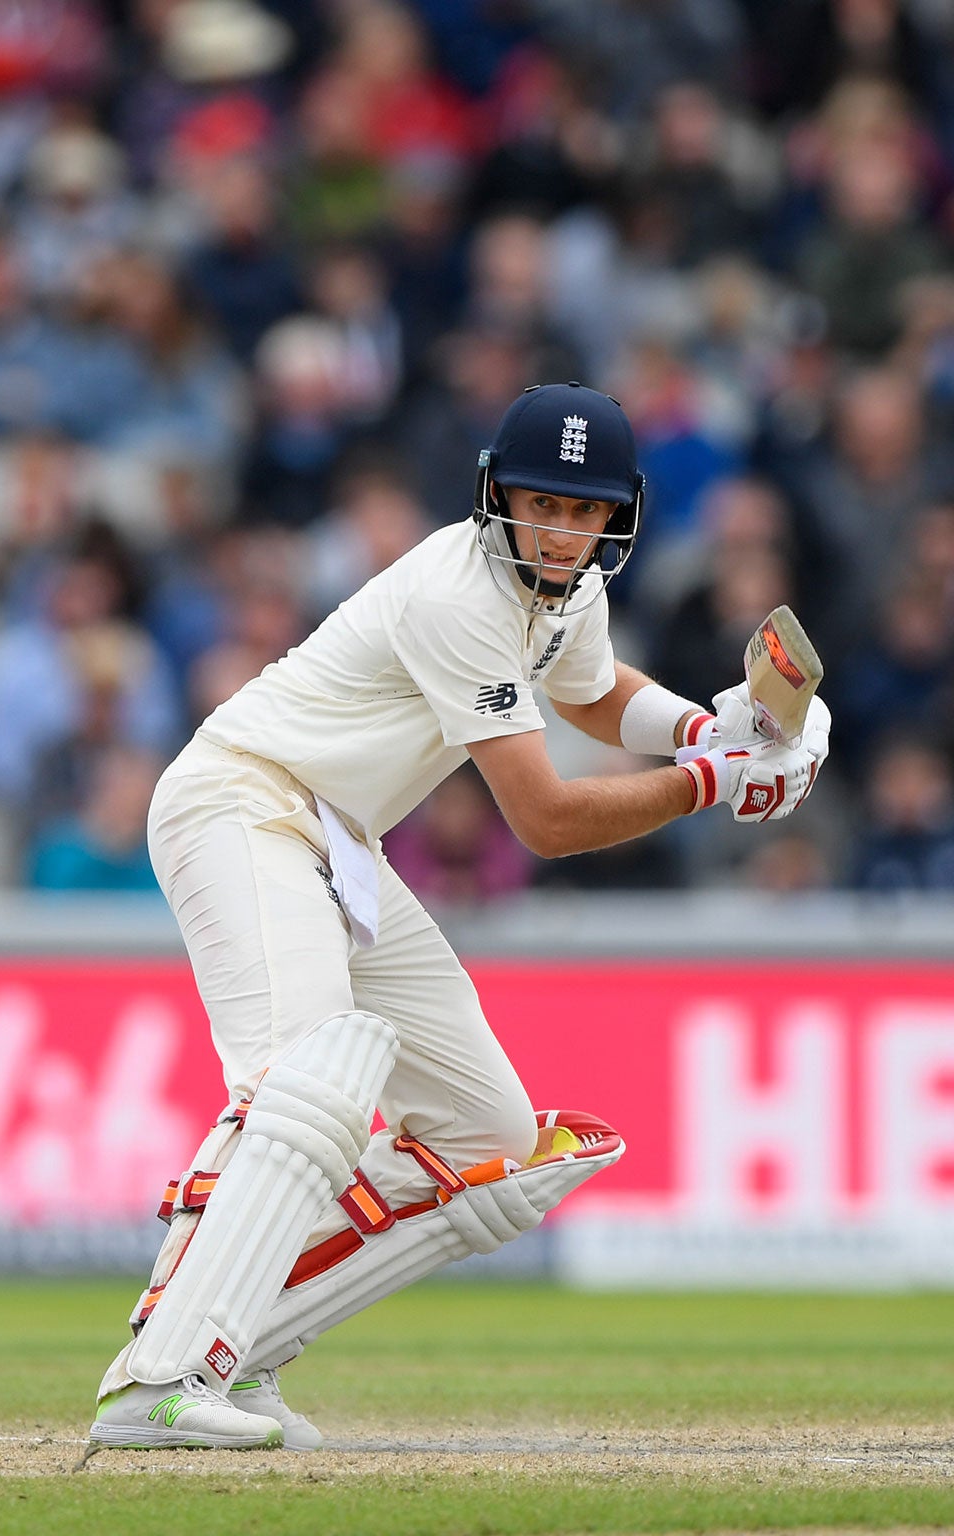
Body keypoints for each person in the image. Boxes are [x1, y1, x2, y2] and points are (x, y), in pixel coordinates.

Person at [86, 383, 831, 1452]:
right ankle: (158, 1378)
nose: (561, 531)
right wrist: (711, 784)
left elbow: (588, 693)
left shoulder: (562, 594)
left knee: (492, 1140)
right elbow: (543, 817)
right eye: (541, 504)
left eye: (583, 512)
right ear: (495, 495)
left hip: (340, 842)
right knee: (300, 1090)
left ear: (615, 515)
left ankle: (239, 1351)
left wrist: (708, 729)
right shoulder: (457, 594)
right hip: (241, 803)